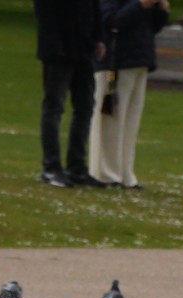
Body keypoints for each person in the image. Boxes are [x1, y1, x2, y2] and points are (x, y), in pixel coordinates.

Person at [88, 0, 169, 190]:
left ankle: (126, 174)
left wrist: (161, 10)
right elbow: (111, 22)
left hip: (139, 60)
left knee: (130, 121)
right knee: (110, 119)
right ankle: (105, 173)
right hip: (115, 62)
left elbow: (152, 27)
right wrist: (142, 5)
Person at [33, 0, 106, 189]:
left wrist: (98, 38)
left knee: (85, 107)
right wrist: (55, 46)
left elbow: (95, 7)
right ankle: (51, 167)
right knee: (54, 106)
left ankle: (77, 167)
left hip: (84, 49)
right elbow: (46, 13)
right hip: (59, 50)